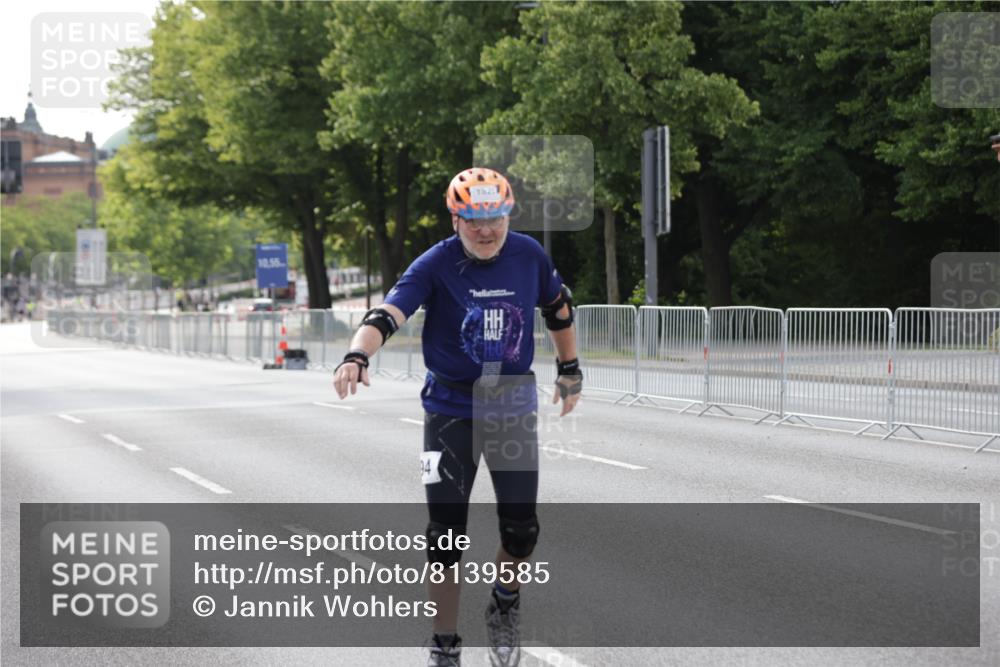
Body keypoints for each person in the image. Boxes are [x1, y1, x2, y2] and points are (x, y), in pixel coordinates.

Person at [333, 167, 582, 667]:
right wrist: (357, 356)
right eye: (473, 220)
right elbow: (387, 315)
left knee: (521, 530)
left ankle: (504, 602)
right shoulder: (436, 263)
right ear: (455, 219)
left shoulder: (529, 255)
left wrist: (570, 368)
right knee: (445, 538)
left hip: (510, 404)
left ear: (508, 214)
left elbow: (558, 309)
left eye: (495, 217)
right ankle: (444, 641)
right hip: (449, 410)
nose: (486, 229)